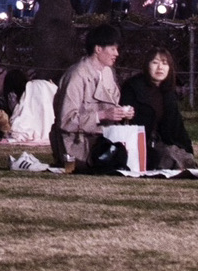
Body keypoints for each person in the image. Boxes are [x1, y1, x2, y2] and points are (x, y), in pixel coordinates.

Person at [50, 23, 135, 167]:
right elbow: (66, 121)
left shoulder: (107, 71)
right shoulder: (77, 75)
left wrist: (122, 113)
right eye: (112, 48)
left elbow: (110, 105)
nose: (117, 54)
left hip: (103, 139)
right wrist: (102, 115)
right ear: (98, 49)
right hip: (77, 145)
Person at [120, 47, 194, 168]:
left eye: (164, 63)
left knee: (180, 156)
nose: (160, 67)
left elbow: (177, 127)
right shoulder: (132, 87)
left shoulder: (169, 92)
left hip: (163, 142)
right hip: (139, 143)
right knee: (166, 157)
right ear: (147, 65)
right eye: (155, 62)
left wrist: (187, 149)